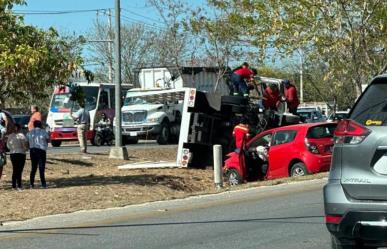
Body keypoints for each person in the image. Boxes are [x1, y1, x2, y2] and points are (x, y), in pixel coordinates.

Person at [27, 120, 50, 188]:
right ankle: (43, 183)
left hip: (33, 150)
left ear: (34, 125)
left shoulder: (30, 132)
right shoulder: (44, 132)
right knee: (41, 167)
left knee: (33, 168)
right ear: (40, 125)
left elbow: (27, 142)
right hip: (41, 151)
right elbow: (48, 140)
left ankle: (31, 184)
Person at [7, 124, 28, 190]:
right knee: (19, 170)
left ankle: (13, 185)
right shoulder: (21, 136)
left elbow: (8, 146)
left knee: (15, 169)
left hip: (13, 154)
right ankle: (19, 185)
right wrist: (26, 149)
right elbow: (25, 145)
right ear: (19, 129)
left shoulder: (10, 136)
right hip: (21, 153)